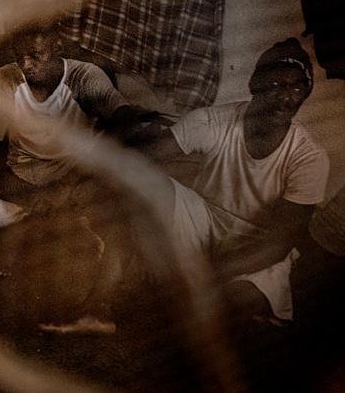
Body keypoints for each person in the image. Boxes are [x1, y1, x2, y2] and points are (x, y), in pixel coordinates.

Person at [0, 23, 155, 334]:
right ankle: (40, 221)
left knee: (116, 218)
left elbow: (125, 122)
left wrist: (70, 186)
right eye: (20, 57)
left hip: (73, 179)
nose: (26, 65)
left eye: (35, 56)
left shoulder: (84, 77)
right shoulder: (6, 79)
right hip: (21, 177)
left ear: (57, 47)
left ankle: (42, 226)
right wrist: (28, 194)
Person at [141, 38, 330, 324]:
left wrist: (207, 274)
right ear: (255, 84)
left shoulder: (309, 157)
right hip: (204, 216)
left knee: (231, 305)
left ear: (306, 92)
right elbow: (145, 160)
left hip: (258, 243)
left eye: (296, 87)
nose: (286, 97)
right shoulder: (211, 121)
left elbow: (280, 243)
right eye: (277, 85)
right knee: (146, 185)